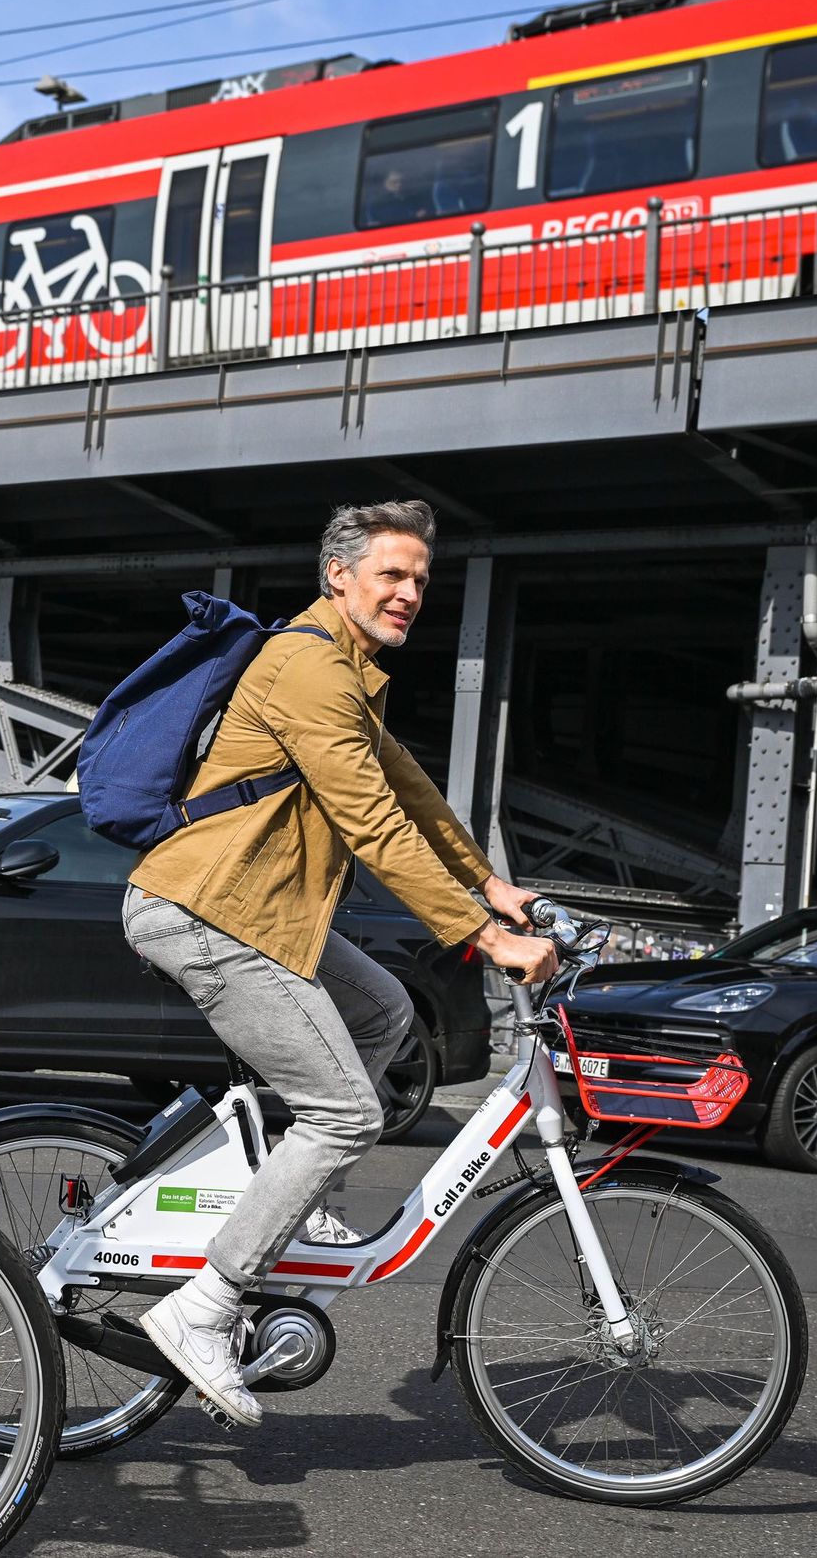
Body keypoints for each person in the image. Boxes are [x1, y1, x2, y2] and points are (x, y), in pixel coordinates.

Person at [123, 498, 557, 1428]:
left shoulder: (352, 671)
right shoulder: (309, 667)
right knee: (345, 1110)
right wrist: (488, 939)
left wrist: (491, 883)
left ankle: (288, 1191)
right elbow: (374, 826)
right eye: (392, 575)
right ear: (340, 575)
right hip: (207, 910)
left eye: (420, 582)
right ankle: (203, 1311)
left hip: (262, 912)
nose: (409, 594)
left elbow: (411, 789)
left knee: (385, 1012)